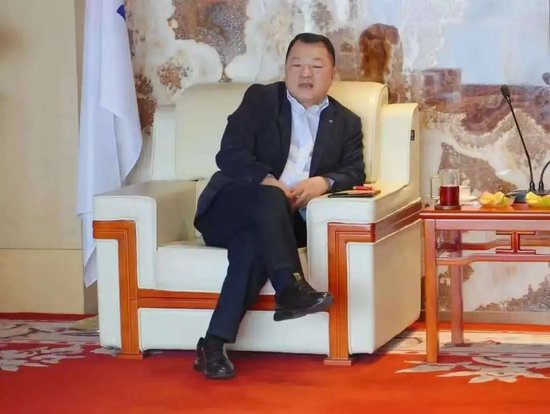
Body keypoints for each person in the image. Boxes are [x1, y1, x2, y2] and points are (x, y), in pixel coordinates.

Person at [193, 32, 366, 379]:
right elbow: (230, 153)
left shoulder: (346, 121)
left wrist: (322, 182)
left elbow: (354, 170)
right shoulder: (261, 100)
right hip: (232, 206)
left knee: (252, 248)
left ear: (332, 73)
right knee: (270, 200)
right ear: (285, 69)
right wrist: (267, 181)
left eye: (316, 66)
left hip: (282, 224)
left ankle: (212, 345)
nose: (305, 74)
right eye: (296, 65)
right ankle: (289, 287)